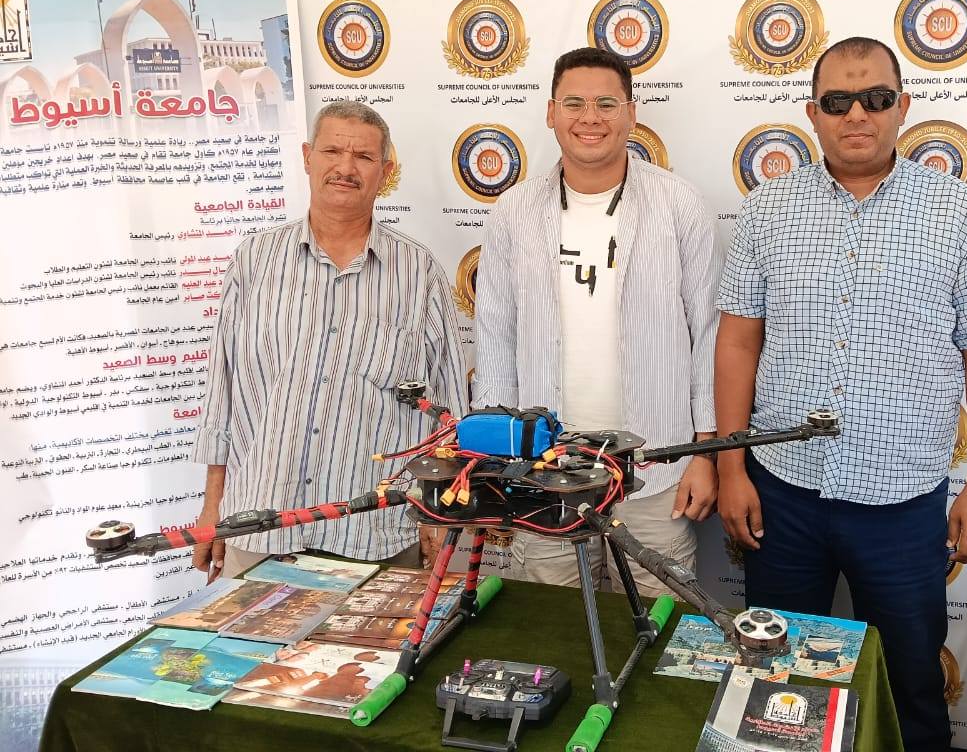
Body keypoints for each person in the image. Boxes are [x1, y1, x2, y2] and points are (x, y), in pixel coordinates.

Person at [714, 37, 967, 751]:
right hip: (783, 494)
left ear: (902, 106)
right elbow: (736, 343)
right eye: (837, 101)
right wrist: (732, 467)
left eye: (876, 98)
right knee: (777, 680)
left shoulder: (959, 213)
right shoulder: (767, 210)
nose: (857, 114)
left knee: (910, 682)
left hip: (903, 505)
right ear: (812, 113)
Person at [473, 47, 720, 598]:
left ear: (631, 113)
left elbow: (708, 336)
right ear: (550, 112)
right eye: (574, 103)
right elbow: (494, 341)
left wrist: (704, 457)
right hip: (543, 472)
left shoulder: (679, 204)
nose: (591, 117)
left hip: (657, 469)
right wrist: (497, 458)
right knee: (554, 623)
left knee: (658, 624)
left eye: (607, 104)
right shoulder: (513, 212)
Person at [191, 100, 468, 581]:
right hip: (259, 527)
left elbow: (448, 409)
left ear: (385, 172)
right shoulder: (254, 260)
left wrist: (436, 510)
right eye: (332, 151)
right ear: (307, 157)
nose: (345, 168)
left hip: (373, 534)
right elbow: (223, 391)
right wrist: (212, 505)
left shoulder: (417, 272)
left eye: (363, 157)